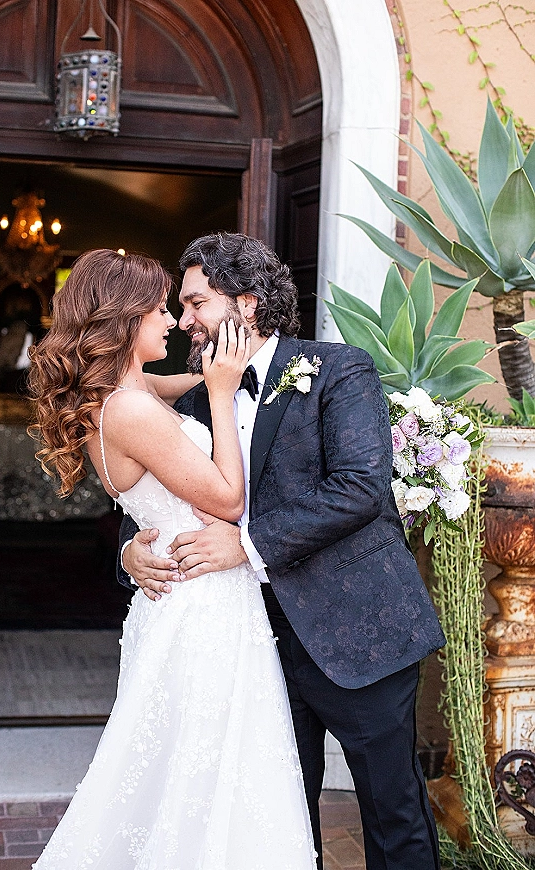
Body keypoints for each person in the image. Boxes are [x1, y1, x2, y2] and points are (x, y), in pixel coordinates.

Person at [119, 232, 447, 870]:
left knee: (392, 812)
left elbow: (360, 488)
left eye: (195, 303)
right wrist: (131, 552)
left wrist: (245, 544)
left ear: (245, 302)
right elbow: (157, 496)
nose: (184, 320)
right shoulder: (190, 400)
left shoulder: (338, 370)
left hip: (359, 633)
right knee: (277, 823)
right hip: (250, 648)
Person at [28, 248, 317, 870]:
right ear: (124, 319)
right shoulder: (128, 409)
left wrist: (238, 358)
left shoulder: (128, 389)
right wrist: (218, 393)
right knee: (203, 770)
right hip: (201, 607)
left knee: (194, 768)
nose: (174, 322)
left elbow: (192, 378)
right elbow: (227, 496)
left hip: (187, 595)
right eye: (161, 308)